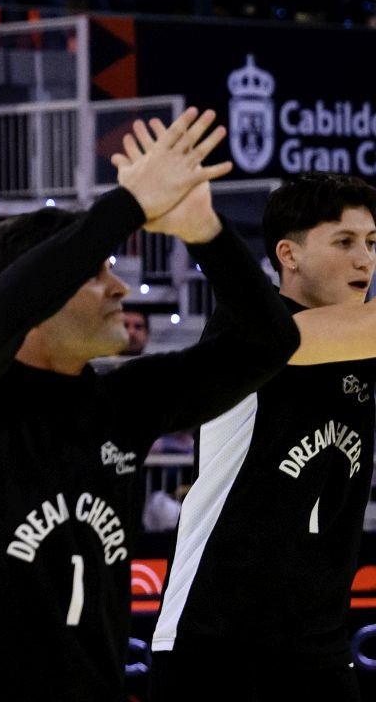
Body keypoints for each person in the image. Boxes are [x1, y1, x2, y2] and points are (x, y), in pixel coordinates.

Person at [0, 109, 300, 702]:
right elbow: (6, 308)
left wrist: (204, 229)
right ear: (45, 292)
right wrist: (127, 204)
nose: (120, 288)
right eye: (96, 273)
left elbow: (272, 341)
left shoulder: (123, 402)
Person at [152, 172, 376, 699]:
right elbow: (303, 337)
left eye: (372, 243)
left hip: (319, 643)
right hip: (217, 638)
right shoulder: (248, 324)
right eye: (344, 242)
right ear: (288, 255)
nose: (364, 260)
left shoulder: (361, 343)